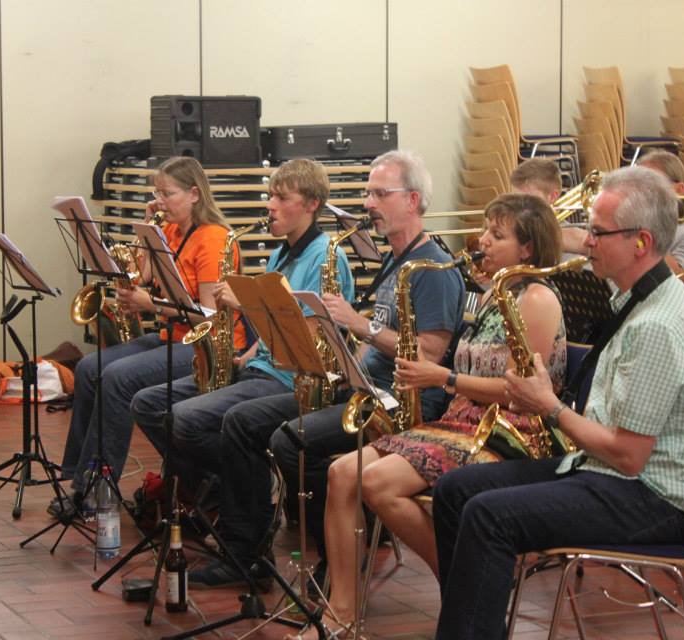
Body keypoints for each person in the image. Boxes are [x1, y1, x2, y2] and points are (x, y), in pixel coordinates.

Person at [432, 166, 684, 639]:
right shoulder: (642, 298)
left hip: (651, 498)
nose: (586, 242)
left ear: (641, 242)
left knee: (488, 517)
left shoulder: (657, 325)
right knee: (454, 491)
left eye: (597, 232)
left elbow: (628, 457)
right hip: (607, 472)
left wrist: (549, 407)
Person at [196, 150, 466, 590]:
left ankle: (341, 554)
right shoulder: (396, 259)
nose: (368, 204)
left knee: (291, 441)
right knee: (243, 423)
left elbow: (429, 357)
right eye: (367, 193)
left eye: (380, 194)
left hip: (403, 402)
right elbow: (376, 342)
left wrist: (360, 326)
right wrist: (344, 361)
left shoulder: (432, 268)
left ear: (413, 200)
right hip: (365, 390)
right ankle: (246, 554)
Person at [319, 193, 566, 632]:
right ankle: (339, 613)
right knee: (341, 473)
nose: (483, 241)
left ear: (527, 249)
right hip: (462, 420)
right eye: (486, 230)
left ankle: (464, 585)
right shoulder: (494, 294)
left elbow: (523, 394)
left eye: (497, 235)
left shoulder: (537, 299)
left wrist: (443, 378)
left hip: (510, 430)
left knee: (377, 483)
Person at [129, 157, 354, 513]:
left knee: (185, 418)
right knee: (149, 403)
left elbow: (307, 342)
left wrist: (248, 305)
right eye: (270, 195)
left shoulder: (326, 258)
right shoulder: (280, 253)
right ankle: (221, 487)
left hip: (290, 380)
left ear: (312, 204)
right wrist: (246, 355)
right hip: (260, 368)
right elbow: (269, 333)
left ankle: (242, 496)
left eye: (281, 198)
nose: (270, 205)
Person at [51, 156, 242, 516]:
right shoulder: (172, 230)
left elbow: (210, 316)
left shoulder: (214, 239)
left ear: (194, 194)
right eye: (157, 193)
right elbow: (147, 278)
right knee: (89, 368)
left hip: (206, 348)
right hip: (174, 337)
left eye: (168, 194)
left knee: (118, 378)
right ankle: (77, 477)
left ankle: (98, 489)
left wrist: (150, 305)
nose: (161, 201)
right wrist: (149, 230)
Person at [559, 150, 684, 291]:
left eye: (648, 185)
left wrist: (604, 242)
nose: (636, 194)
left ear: (678, 190)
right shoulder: (623, 222)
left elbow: (678, 279)